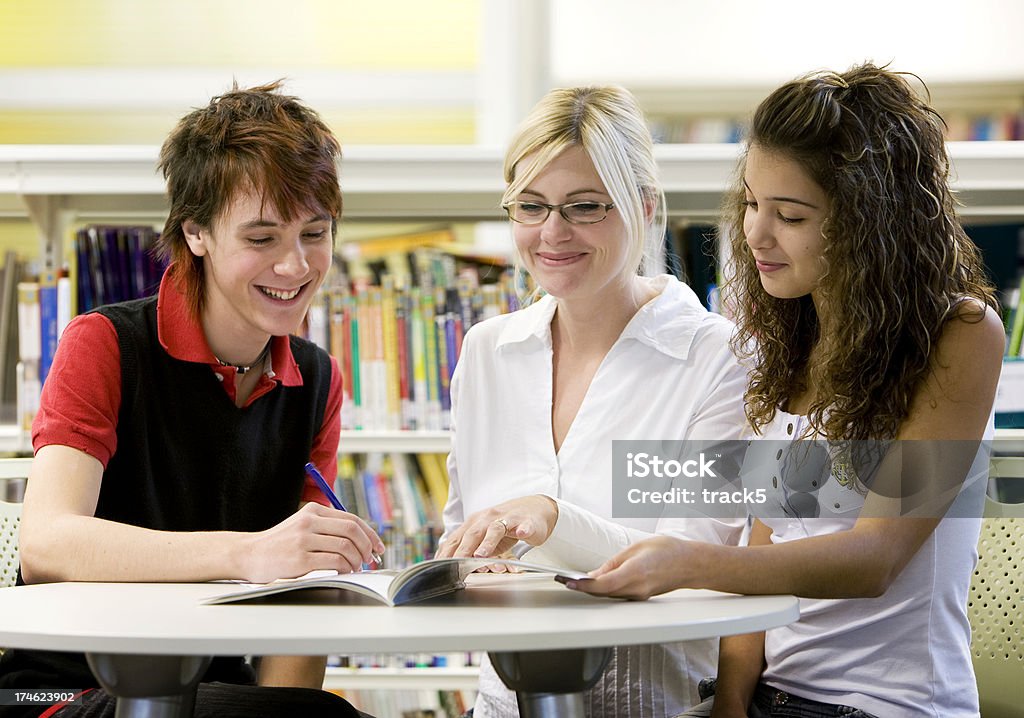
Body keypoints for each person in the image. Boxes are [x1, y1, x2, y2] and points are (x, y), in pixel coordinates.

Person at [567, 64, 1005, 718]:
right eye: (750, 203)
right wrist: (732, 702)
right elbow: (766, 541)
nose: (756, 234)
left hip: (890, 705)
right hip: (777, 695)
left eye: (791, 215)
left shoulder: (959, 335)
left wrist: (685, 563)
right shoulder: (794, 338)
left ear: (869, 224)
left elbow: (874, 558)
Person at [0, 81, 384, 718]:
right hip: (56, 691)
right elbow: (46, 545)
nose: (296, 266)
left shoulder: (317, 379)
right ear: (197, 233)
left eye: (315, 233)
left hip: (216, 693)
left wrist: (283, 709)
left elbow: (308, 587)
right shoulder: (104, 343)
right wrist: (248, 552)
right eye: (262, 239)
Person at [435, 85, 749, 717]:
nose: (552, 232)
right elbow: (462, 530)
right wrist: (470, 567)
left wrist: (553, 520)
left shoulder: (718, 357)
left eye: (584, 207)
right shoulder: (487, 352)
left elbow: (693, 566)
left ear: (645, 207)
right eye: (531, 205)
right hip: (503, 706)